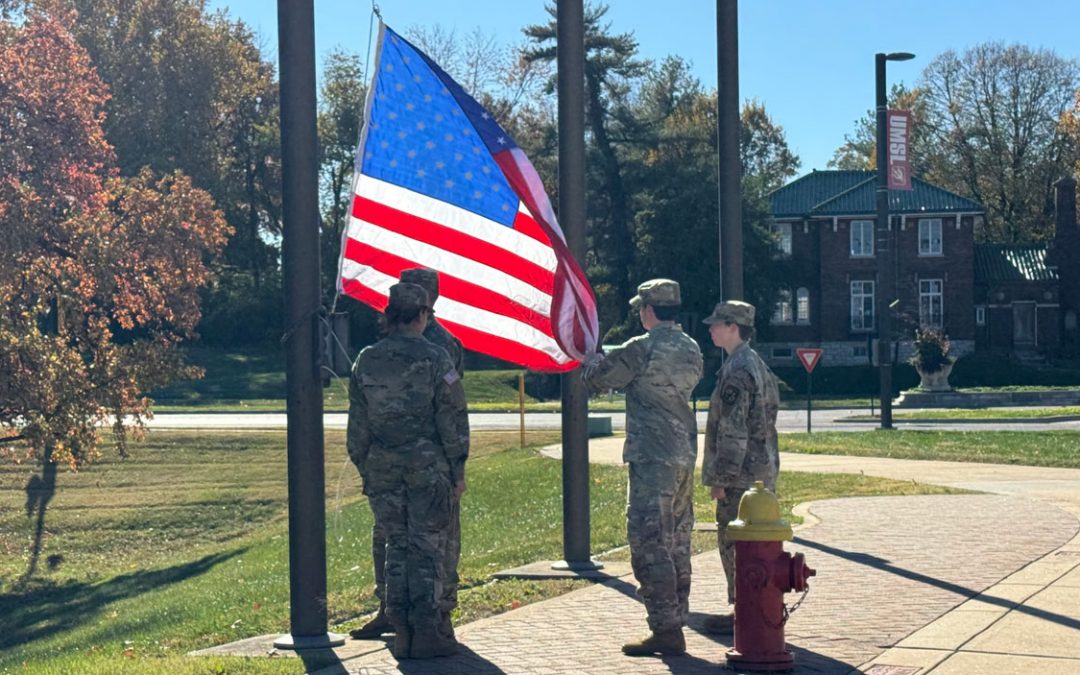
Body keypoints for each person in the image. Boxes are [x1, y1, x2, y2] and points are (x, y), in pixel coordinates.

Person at [347, 282, 469, 659]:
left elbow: (358, 425)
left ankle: (401, 631)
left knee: (396, 546)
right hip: (427, 467)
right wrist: (457, 467)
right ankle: (427, 632)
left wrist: (365, 465)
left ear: (388, 316)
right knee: (428, 548)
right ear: (421, 315)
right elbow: (452, 419)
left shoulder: (365, 359)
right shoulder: (436, 358)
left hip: (383, 467)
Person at [582, 279, 703, 657]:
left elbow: (597, 381)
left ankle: (665, 628)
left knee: (649, 542)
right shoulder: (691, 347)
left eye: (641, 308)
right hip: (683, 454)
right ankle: (677, 615)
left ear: (649, 310)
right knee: (678, 541)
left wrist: (591, 360)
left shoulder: (642, 347)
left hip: (651, 457)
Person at [699, 300, 780, 635]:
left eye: (717, 323)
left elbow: (733, 432)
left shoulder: (738, 370)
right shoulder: (755, 364)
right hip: (760, 473)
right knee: (756, 546)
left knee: (735, 543)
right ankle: (752, 608)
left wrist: (721, 479)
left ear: (734, 327)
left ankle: (744, 611)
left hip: (742, 478)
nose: (711, 328)